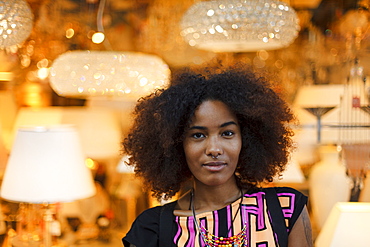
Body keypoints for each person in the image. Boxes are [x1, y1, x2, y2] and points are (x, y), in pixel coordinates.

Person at [122, 66, 313, 247]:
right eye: (198, 135)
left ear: (246, 139)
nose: (214, 149)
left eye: (227, 133)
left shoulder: (285, 209)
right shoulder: (151, 229)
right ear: (176, 144)